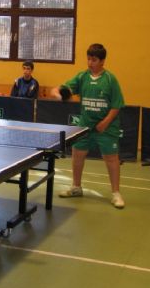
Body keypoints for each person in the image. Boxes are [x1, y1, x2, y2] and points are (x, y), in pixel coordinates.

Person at [51, 43, 125, 209]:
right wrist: (58, 95)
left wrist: (104, 123)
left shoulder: (110, 79)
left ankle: (116, 193)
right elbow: (58, 89)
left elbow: (117, 106)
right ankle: (76, 187)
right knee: (77, 154)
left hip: (107, 127)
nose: (90, 62)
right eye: (89, 59)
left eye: (94, 60)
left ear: (102, 61)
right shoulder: (82, 77)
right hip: (85, 125)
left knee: (111, 159)